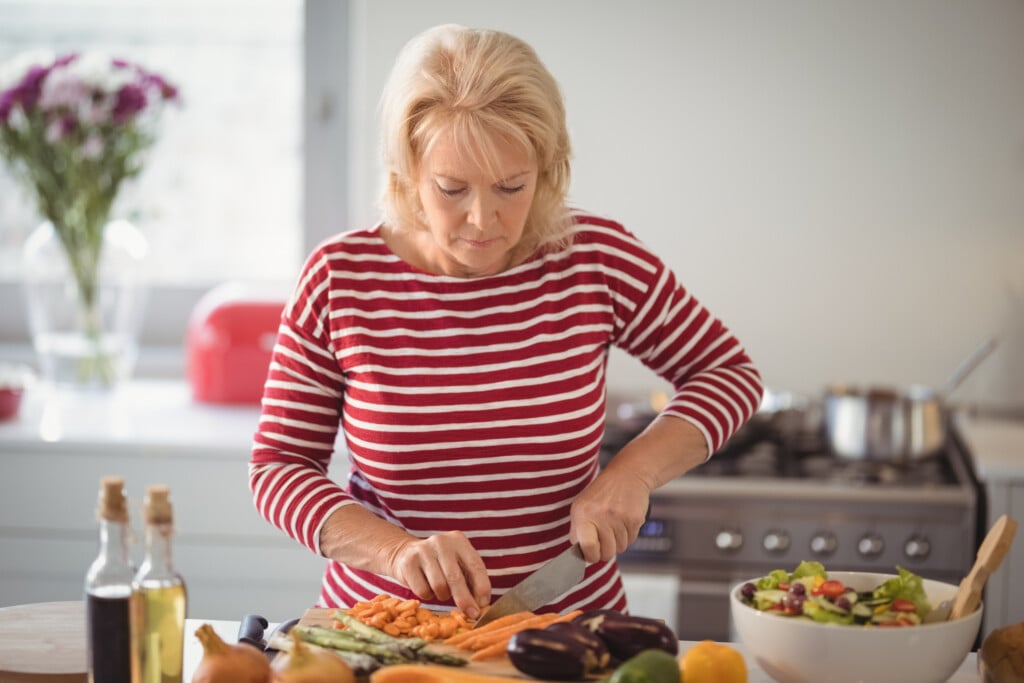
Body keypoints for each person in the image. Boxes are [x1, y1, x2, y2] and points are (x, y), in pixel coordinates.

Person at [249, 24, 764, 621]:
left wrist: (633, 472)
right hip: (385, 633)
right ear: (406, 170)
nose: (482, 219)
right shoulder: (342, 278)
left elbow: (728, 373)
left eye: (511, 186)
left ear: (546, 169)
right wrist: (396, 553)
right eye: (451, 188)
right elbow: (279, 467)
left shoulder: (594, 258)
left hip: (571, 631)